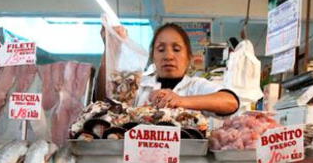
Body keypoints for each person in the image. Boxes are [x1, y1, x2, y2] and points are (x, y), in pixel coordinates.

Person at [97, 23, 240, 115]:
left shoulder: (196, 86)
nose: (168, 56)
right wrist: (111, 48)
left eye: (176, 49)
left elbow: (230, 102)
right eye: (160, 49)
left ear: (189, 57)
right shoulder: (139, 85)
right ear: (153, 57)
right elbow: (104, 100)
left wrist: (180, 101)